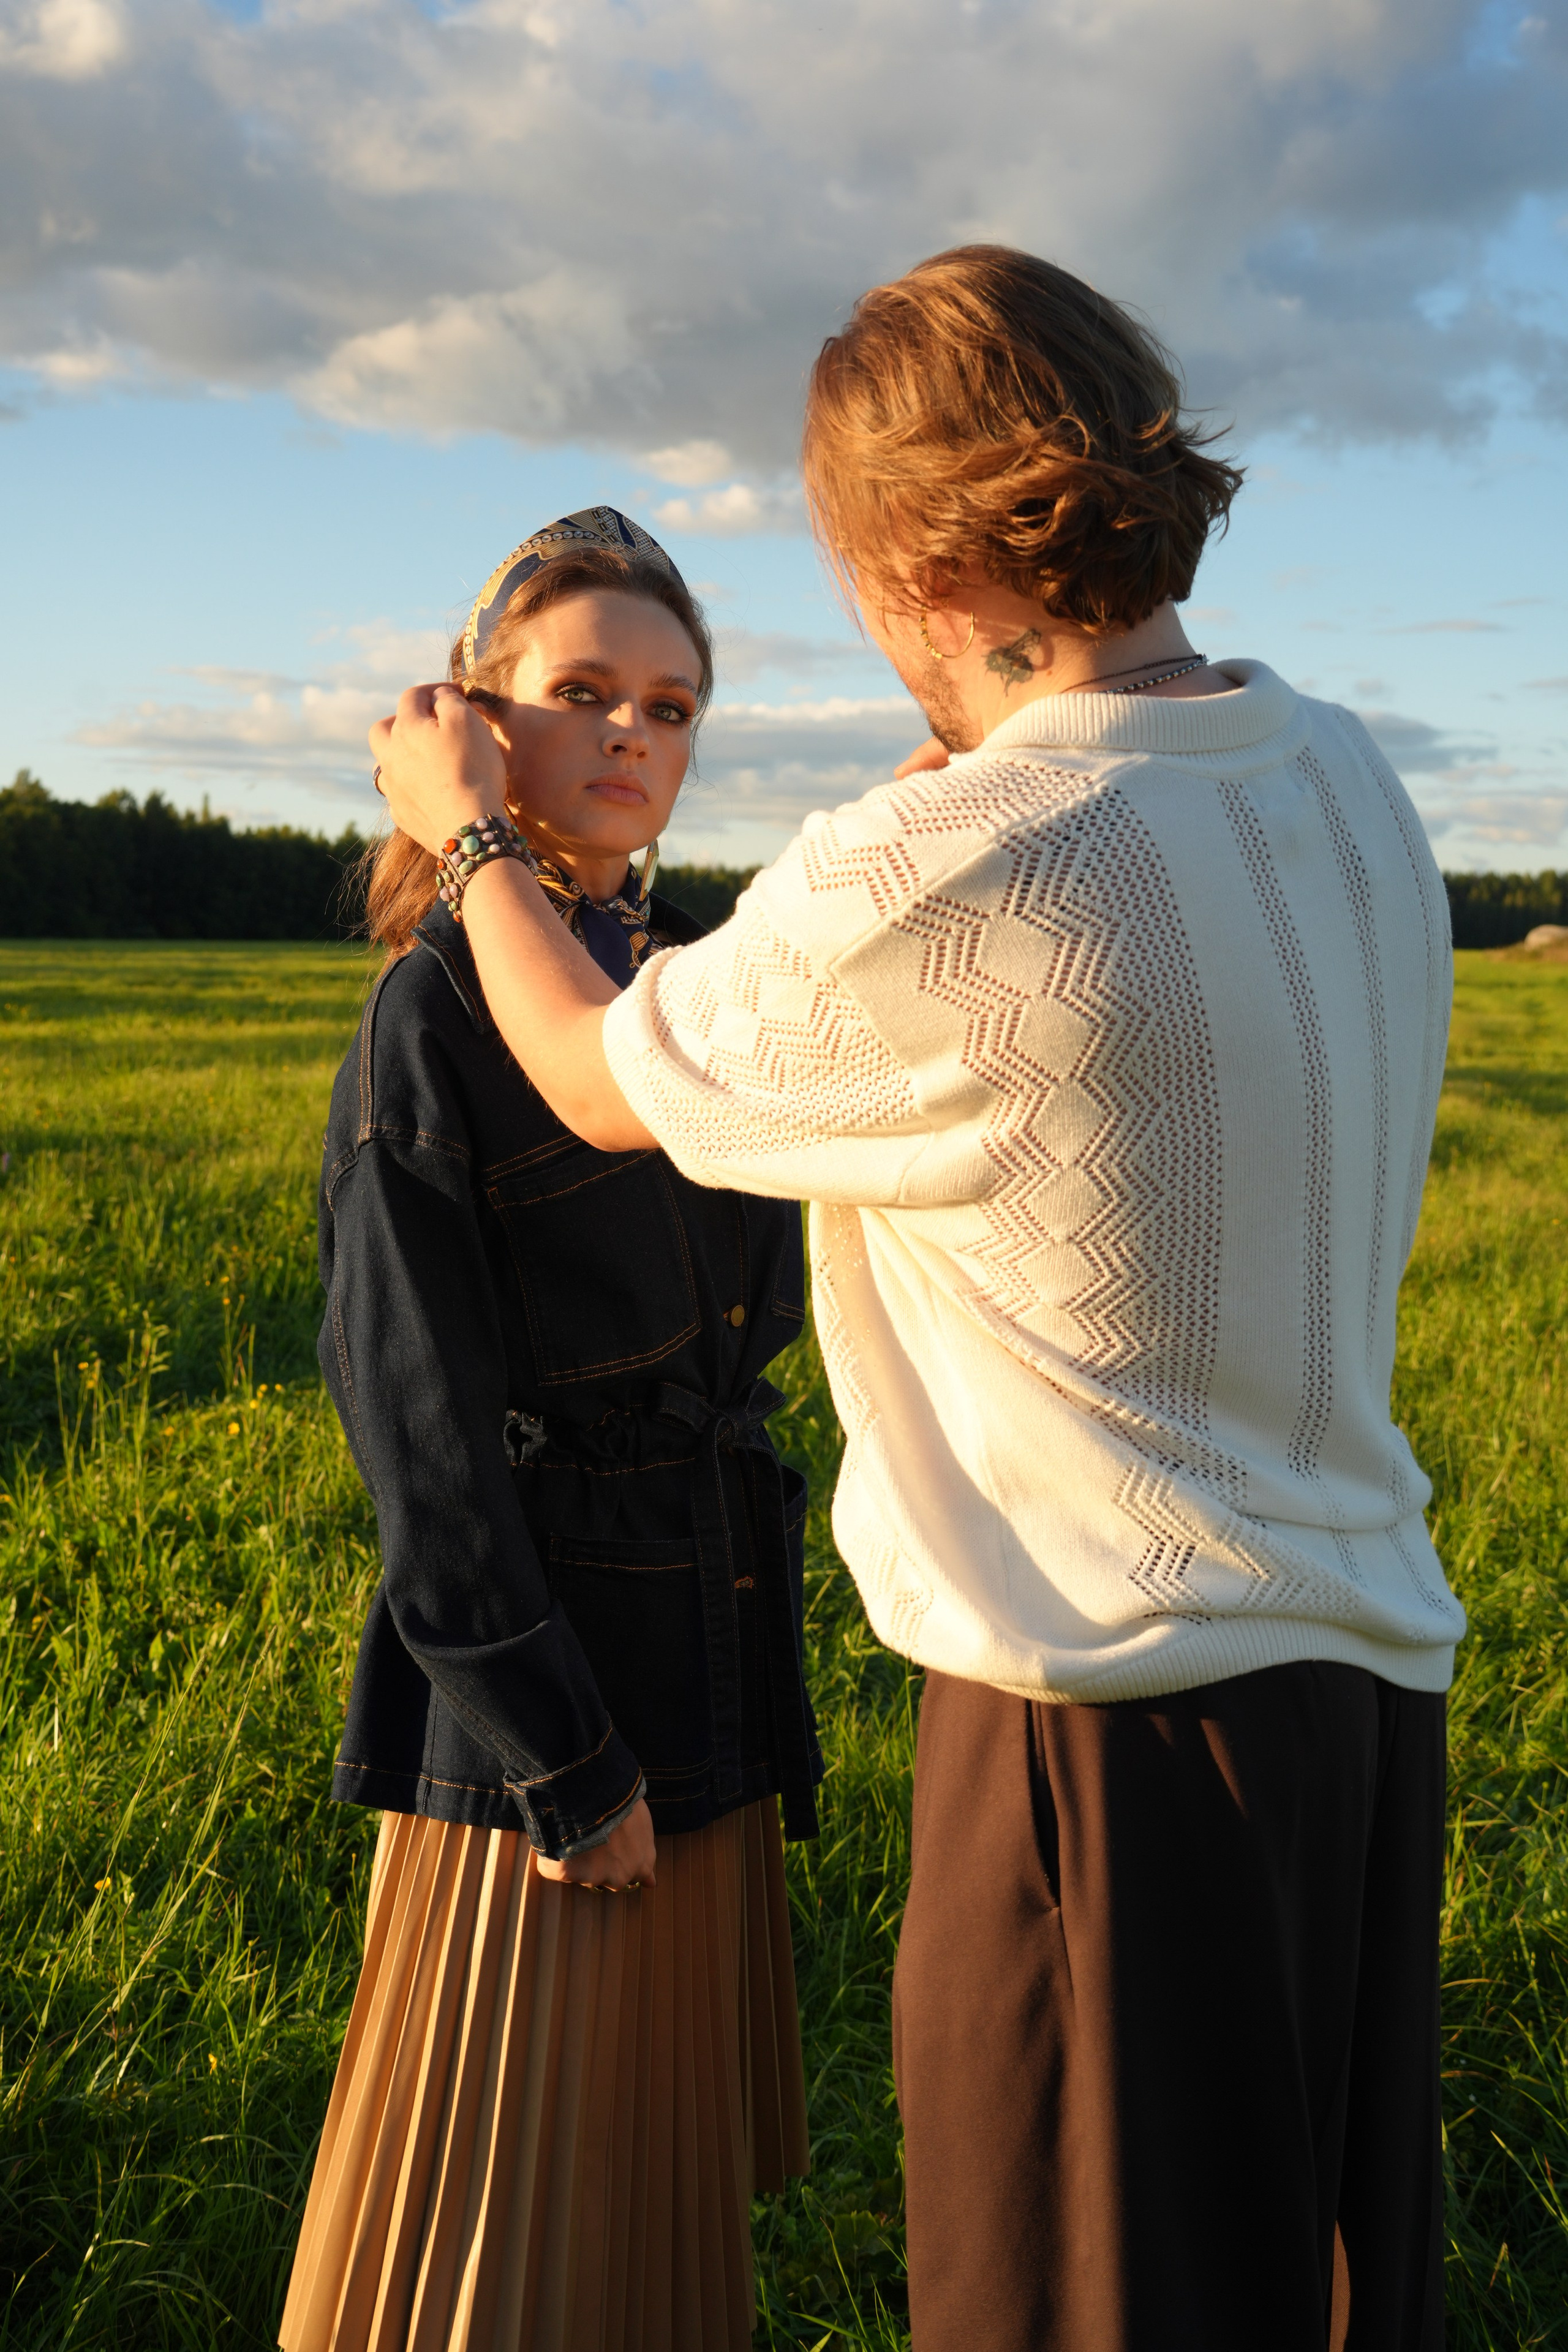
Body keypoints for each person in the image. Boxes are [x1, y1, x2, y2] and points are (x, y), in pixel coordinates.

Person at [371, 254, 1463, 2352]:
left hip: (1105, 1737)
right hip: (1366, 1698)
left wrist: (480, 840)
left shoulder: (965, 867)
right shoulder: (1345, 782)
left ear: (913, 559)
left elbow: (608, 1083)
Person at [280, 507, 820, 2352]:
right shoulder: (434, 1019)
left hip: (711, 1658)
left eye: (670, 707)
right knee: (480, 2250)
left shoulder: (685, 1004)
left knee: (649, 2237)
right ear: (476, 724)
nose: (631, 737)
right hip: (548, 1723)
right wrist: (558, 1757)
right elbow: (418, 1433)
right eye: (580, 691)